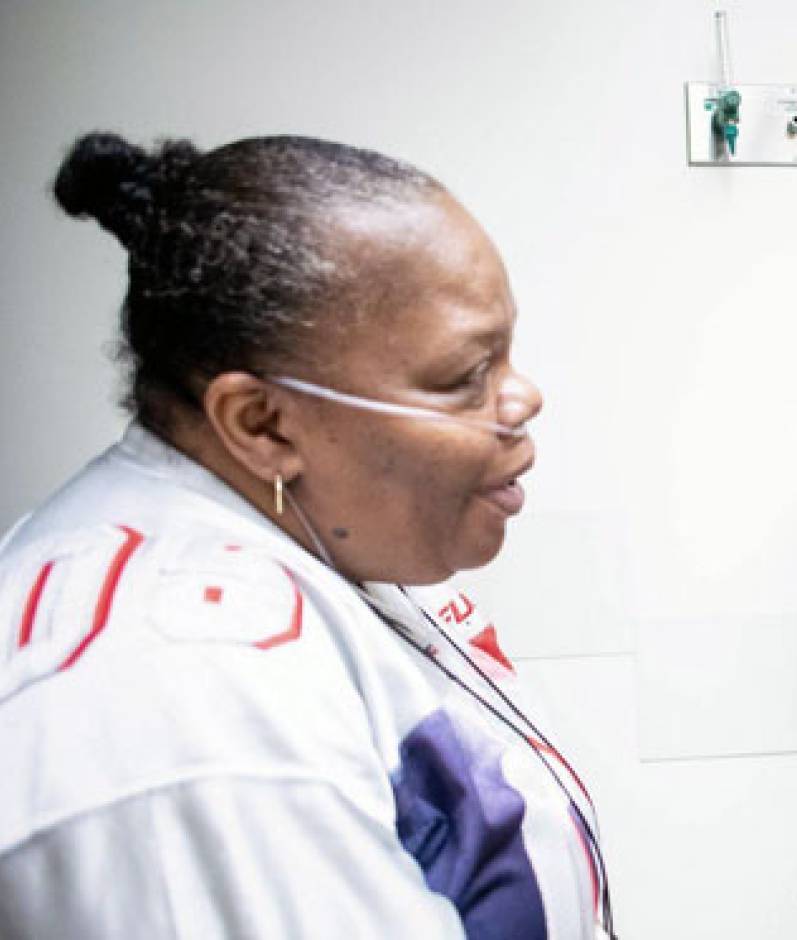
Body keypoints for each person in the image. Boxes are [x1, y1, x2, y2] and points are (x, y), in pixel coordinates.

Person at [0, 132, 614, 939]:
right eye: (466, 376)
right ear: (262, 423)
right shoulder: (189, 706)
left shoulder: (304, 530)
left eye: (507, 356)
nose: (522, 397)